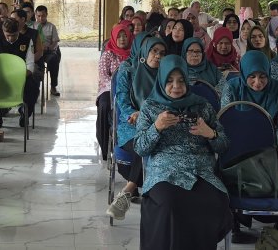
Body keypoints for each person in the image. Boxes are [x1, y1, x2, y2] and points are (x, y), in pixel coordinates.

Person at [133, 55, 232, 249]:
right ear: (161, 80)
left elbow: (224, 146)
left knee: (214, 201)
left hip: (201, 171)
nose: (176, 86)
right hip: (164, 173)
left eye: (180, 80)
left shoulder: (202, 106)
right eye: (170, 81)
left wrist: (210, 133)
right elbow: (140, 148)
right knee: (169, 204)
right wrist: (156, 127)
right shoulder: (150, 107)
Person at [106, 36, 167, 221]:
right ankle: (133, 192)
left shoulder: (166, 73)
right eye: (154, 51)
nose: (158, 56)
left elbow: (169, 101)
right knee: (145, 145)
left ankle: (127, 192)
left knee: (156, 146)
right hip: (131, 125)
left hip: (157, 124)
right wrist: (134, 113)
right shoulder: (128, 70)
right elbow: (122, 100)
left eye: (162, 53)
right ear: (145, 51)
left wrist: (151, 115)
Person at [221, 50, 278, 153]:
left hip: (270, 144)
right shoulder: (232, 87)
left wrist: (273, 151)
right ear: (244, 73)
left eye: (263, 76)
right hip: (238, 142)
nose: (257, 82)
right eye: (252, 76)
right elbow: (226, 122)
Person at [0, 18, 40, 127]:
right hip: (1, 76)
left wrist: (18, 78)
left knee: (33, 88)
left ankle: (24, 113)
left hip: (22, 76)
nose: (10, 38)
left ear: (18, 31)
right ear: (3, 31)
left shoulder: (27, 41)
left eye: (13, 35)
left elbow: (30, 65)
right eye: (7, 35)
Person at [97, 22, 134, 161]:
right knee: (105, 105)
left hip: (129, 90)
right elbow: (103, 76)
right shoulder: (108, 54)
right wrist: (116, 88)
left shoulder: (133, 55)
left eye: (125, 36)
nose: (122, 39)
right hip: (108, 89)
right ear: (114, 37)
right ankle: (104, 144)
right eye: (119, 36)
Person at [33, 5, 62, 96]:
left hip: (47, 52)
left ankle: (53, 86)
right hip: (36, 52)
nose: (41, 18)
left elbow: (55, 42)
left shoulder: (51, 27)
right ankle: (35, 87)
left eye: (43, 16)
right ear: (35, 15)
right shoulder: (32, 26)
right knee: (34, 63)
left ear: (46, 15)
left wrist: (49, 47)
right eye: (38, 16)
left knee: (54, 59)